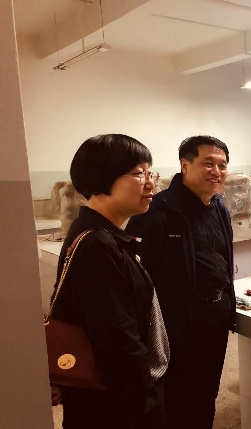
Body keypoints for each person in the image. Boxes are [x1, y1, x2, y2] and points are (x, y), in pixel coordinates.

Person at [51, 134, 169, 429]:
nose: (151, 184)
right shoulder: (97, 246)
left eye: (150, 173)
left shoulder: (99, 235)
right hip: (115, 407)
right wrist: (147, 406)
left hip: (112, 398)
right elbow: (119, 343)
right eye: (139, 174)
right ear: (101, 178)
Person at [126, 135, 235, 429]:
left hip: (215, 315)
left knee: (208, 388)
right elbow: (138, 274)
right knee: (177, 393)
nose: (216, 171)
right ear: (185, 165)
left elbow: (224, 257)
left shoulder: (218, 206)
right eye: (208, 163)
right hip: (177, 322)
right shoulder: (158, 210)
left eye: (222, 165)